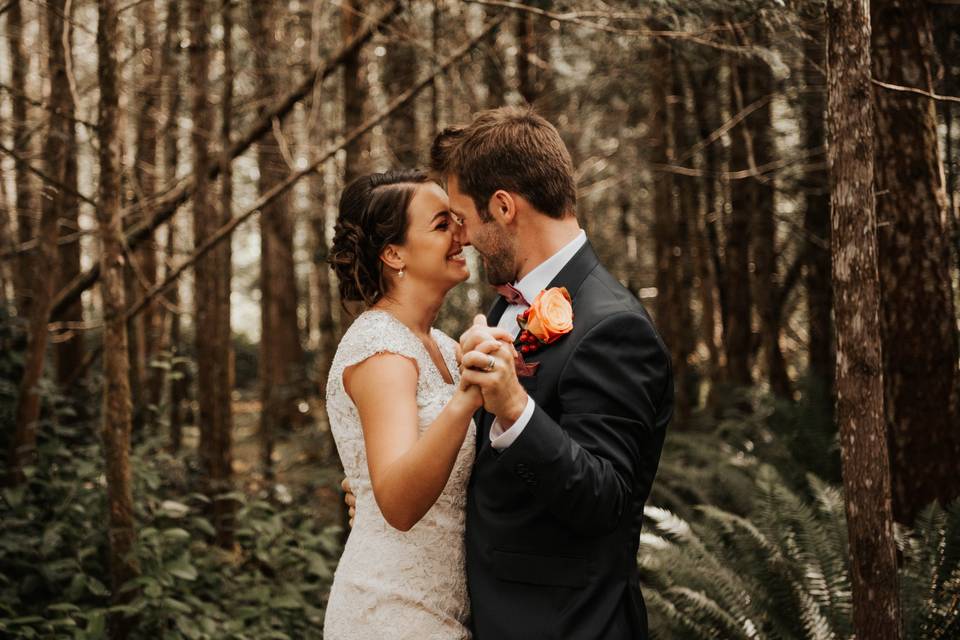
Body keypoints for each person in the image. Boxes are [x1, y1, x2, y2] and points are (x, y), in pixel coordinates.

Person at [342, 106, 674, 639]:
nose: (463, 237)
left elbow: (605, 500)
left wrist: (516, 407)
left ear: (503, 206)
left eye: (463, 218)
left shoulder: (613, 326)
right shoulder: (503, 311)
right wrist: (376, 492)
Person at [322, 169, 510, 639]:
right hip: (389, 611)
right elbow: (399, 503)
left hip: (447, 608)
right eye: (442, 224)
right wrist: (466, 398)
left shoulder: (446, 348)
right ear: (393, 253)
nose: (461, 236)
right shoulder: (379, 349)